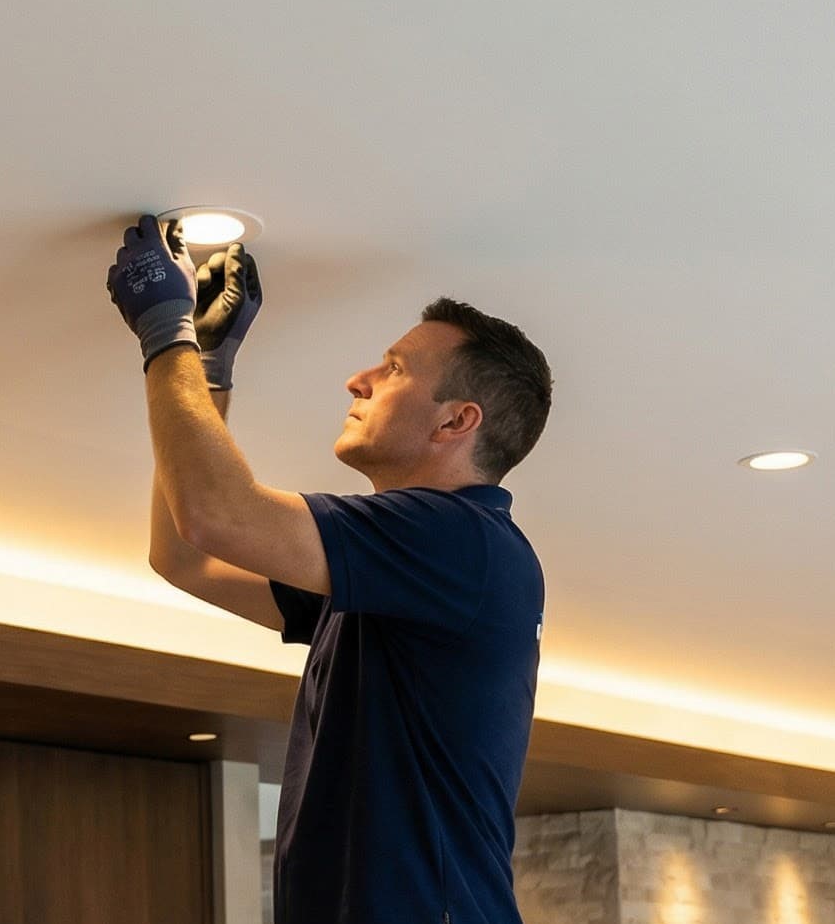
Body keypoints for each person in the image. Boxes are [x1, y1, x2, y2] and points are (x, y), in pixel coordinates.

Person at [105, 215, 555, 924]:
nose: (359, 379)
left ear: (454, 422)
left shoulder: (461, 541)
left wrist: (169, 335)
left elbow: (217, 516)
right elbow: (188, 558)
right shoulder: (403, 572)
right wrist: (209, 371)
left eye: (396, 369)